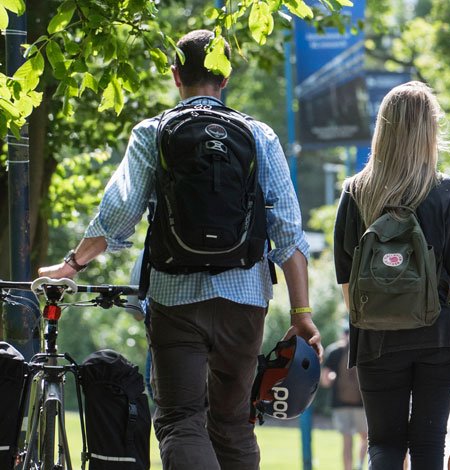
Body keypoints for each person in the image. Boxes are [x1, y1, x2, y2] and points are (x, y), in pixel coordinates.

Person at [38, 29, 320, 470]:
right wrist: (301, 314)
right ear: (224, 79)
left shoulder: (154, 132)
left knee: (181, 418)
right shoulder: (259, 135)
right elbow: (289, 234)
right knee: (233, 422)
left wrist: (72, 265)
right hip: (244, 300)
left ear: (175, 76)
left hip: (175, 298)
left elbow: (118, 214)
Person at [333, 81, 450, 470]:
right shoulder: (446, 192)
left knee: (384, 443)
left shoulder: (356, 192)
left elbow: (346, 280)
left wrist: (369, 324)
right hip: (441, 335)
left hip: (377, 340)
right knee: (427, 444)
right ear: (429, 131)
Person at [322, 326, 368, 470]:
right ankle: (359, 465)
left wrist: (331, 377)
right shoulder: (366, 350)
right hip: (362, 403)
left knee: (347, 440)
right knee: (365, 437)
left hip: (340, 403)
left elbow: (325, 381)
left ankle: (349, 468)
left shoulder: (334, 351)